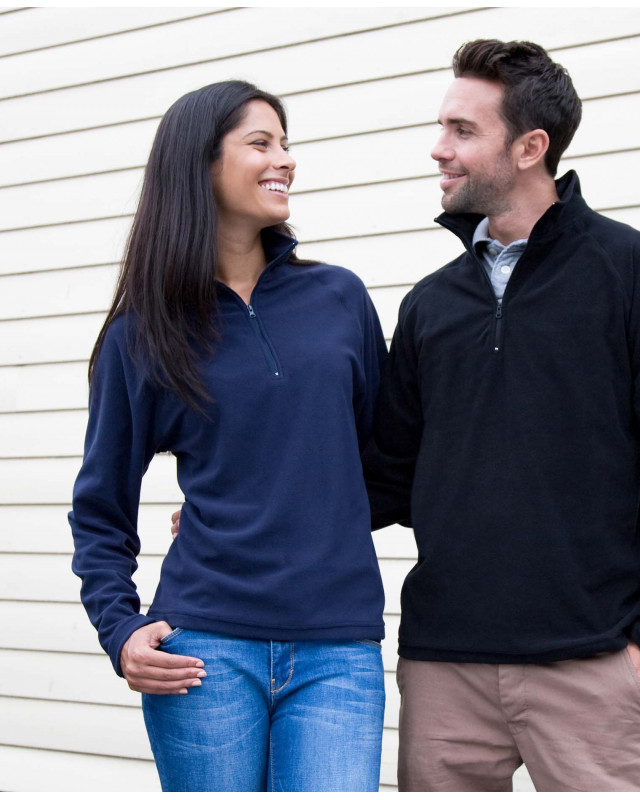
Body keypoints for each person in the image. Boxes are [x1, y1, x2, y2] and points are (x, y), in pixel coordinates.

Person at [369, 39, 640, 791]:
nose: (439, 149)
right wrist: (244, 504)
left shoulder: (630, 271)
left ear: (530, 147)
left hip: (592, 664)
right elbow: (384, 480)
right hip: (443, 668)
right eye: (442, 128)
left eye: (462, 130)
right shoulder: (430, 304)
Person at [69, 80, 387, 792]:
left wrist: (290, 510)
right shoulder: (141, 334)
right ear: (201, 163)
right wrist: (120, 628)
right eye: (261, 143)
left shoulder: (339, 298)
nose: (286, 160)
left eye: (286, 144)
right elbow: (100, 506)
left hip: (338, 647)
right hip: (203, 650)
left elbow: (383, 460)